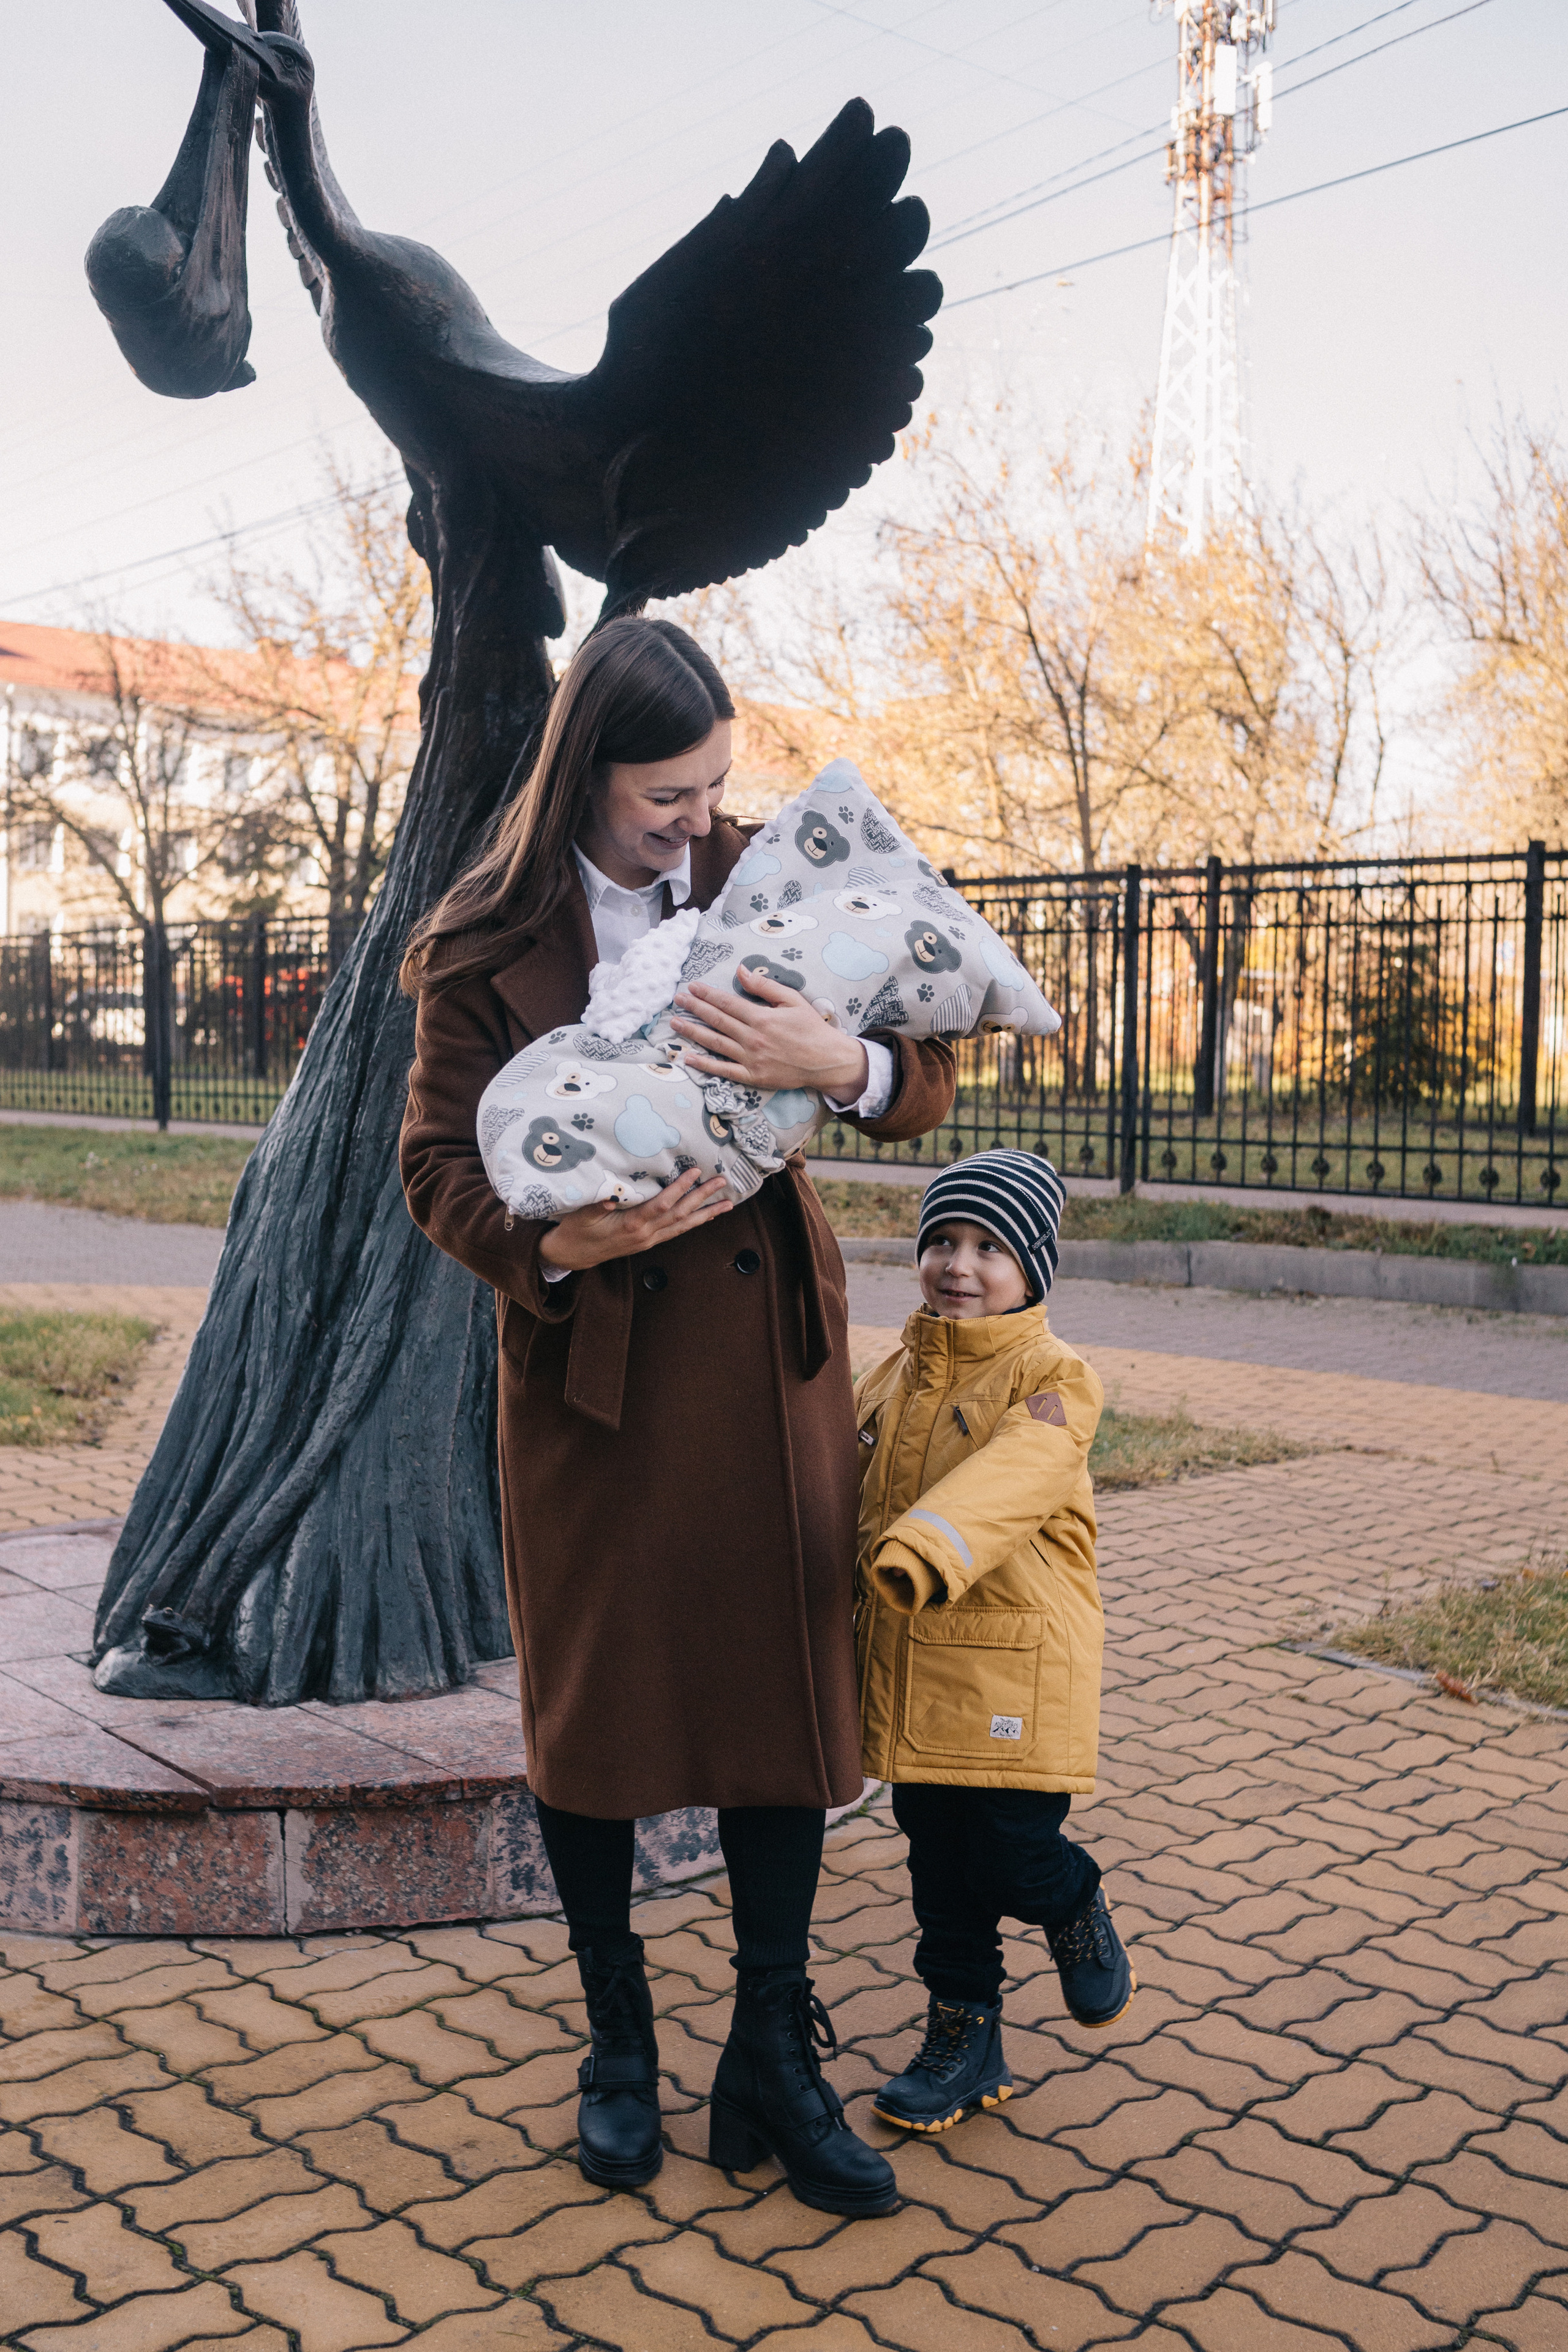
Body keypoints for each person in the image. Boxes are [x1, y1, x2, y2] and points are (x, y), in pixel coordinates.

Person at [399, 617, 955, 2217]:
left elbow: (925, 1072)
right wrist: (554, 1242)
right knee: (598, 1725)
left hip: (765, 1353)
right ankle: (619, 2042)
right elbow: (436, 1168)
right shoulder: (481, 938)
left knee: (783, 1712)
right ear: (585, 774)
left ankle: (772, 2054)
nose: (694, 823)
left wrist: (834, 1057)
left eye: (712, 787)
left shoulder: (772, 871)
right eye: (663, 800)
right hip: (594, 1378)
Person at [853, 1148, 1133, 2135]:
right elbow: (839, 1481)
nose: (959, 1264)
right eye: (942, 1242)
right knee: (938, 1865)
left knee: (1014, 1854)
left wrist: (925, 1544)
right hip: (919, 1673)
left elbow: (1020, 1471)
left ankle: (1072, 1902)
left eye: (989, 1247)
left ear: (1032, 1272)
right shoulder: (891, 1375)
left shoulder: (1055, 1378)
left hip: (1015, 1672)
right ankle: (964, 2039)